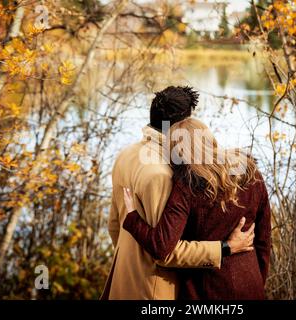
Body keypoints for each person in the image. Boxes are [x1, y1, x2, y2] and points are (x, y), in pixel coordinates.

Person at [100, 86, 256, 300]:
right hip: (154, 291)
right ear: (180, 126)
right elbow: (166, 252)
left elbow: (114, 226)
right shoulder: (163, 174)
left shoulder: (126, 155)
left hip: (122, 282)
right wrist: (225, 248)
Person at [122, 117, 271, 300]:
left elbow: (161, 246)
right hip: (250, 282)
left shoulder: (187, 185)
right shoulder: (249, 171)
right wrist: (258, 280)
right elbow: (264, 239)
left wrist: (131, 218)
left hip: (205, 291)